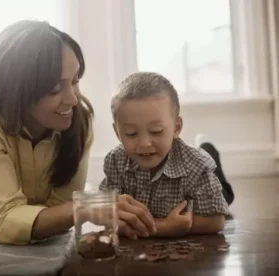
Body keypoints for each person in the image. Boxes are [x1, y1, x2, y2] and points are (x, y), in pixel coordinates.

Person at [0, 20, 156, 246]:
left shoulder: (79, 120)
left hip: (16, 195)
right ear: (18, 91)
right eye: (55, 88)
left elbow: (59, 211)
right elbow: (30, 216)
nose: (73, 99)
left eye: (75, 81)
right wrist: (89, 205)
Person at [99, 72, 231, 239]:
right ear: (117, 133)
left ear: (177, 128)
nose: (144, 143)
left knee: (225, 193)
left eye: (156, 131)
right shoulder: (115, 161)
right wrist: (163, 227)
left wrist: (174, 227)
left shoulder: (198, 165)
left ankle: (208, 148)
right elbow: (104, 214)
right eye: (131, 134)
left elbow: (216, 221)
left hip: (201, 184)